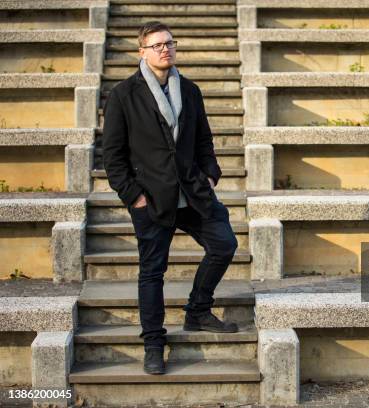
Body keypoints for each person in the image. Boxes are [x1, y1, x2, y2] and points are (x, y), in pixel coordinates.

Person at [102, 21, 239, 375]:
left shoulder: (190, 90)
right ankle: (153, 342)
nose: (165, 49)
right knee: (152, 272)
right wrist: (134, 196)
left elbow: (204, 139)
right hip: (151, 199)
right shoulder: (123, 95)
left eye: (169, 43)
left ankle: (197, 310)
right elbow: (113, 156)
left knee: (224, 244)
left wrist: (210, 174)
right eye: (157, 45)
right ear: (142, 52)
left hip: (193, 193)